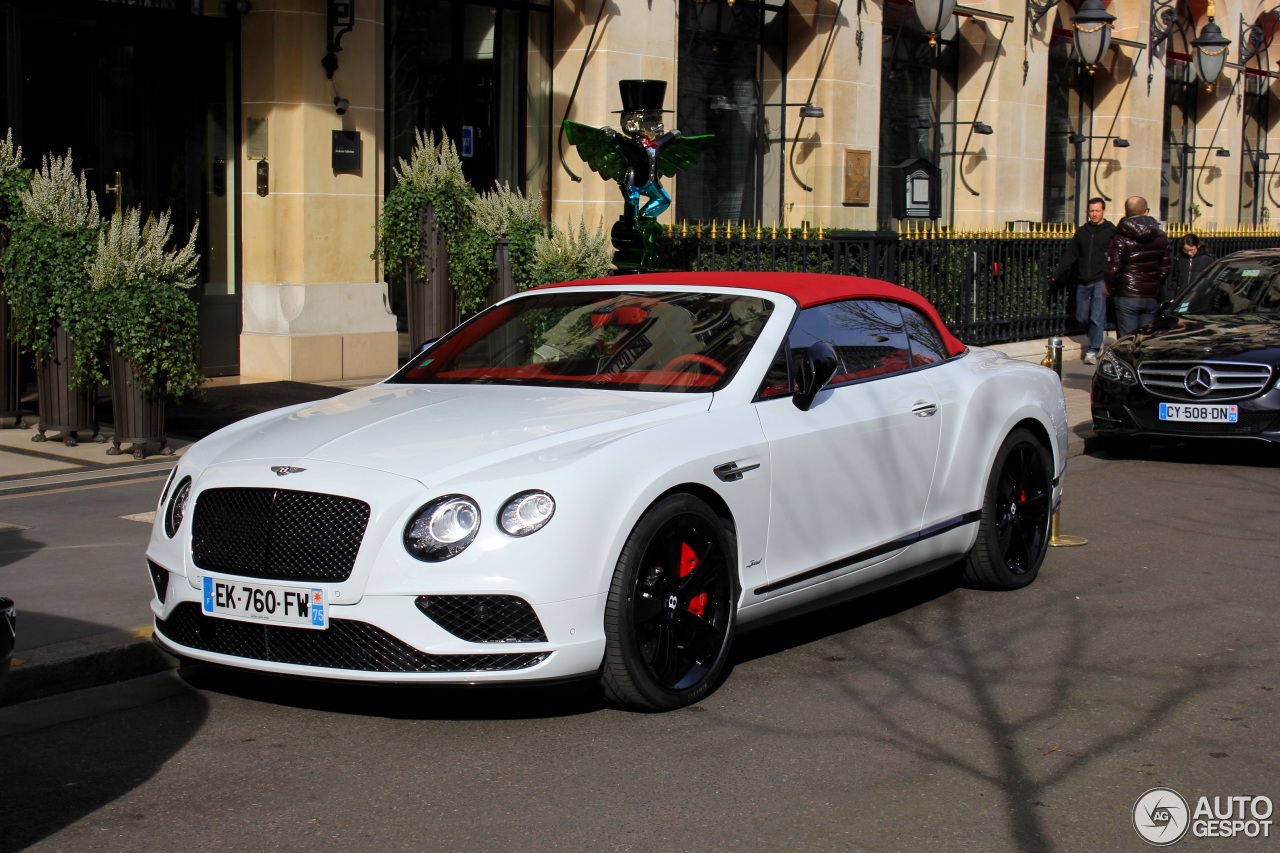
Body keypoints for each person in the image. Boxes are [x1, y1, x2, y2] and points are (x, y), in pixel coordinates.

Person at [1050, 197, 1115, 364]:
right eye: (1091, 211)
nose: (1094, 214)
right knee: (1081, 316)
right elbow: (1071, 254)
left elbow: (1115, 256)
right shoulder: (1082, 232)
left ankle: (1092, 350)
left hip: (1100, 280)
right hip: (1083, 280)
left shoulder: (1110, 231)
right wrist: (1057, 273)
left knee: (1096, 316)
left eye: (1097, 211)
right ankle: (1098, 336)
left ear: (1103, 211)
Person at [1104, 195, 1170, 338]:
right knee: (1144, 340)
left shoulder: (1120, 236)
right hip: (1150, 295)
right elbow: (1165, 268)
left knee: (1128, 341)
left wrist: (1111, 289)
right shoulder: (1160, 236)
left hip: (1127, 294)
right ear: (1146, 211)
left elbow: (1113, 269)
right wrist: (1154, 285)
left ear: (1126, 212)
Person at [1162, 232, 1213, 304]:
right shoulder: (1179, 259)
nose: (1189, 253)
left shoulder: (1206, 259)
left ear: (1197, 246)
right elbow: (1174, 280)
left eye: (1191, 250)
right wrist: (1171, 297)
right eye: (1186, 250)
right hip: (1182, 295)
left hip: (1199, 295)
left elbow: (1210, 278)